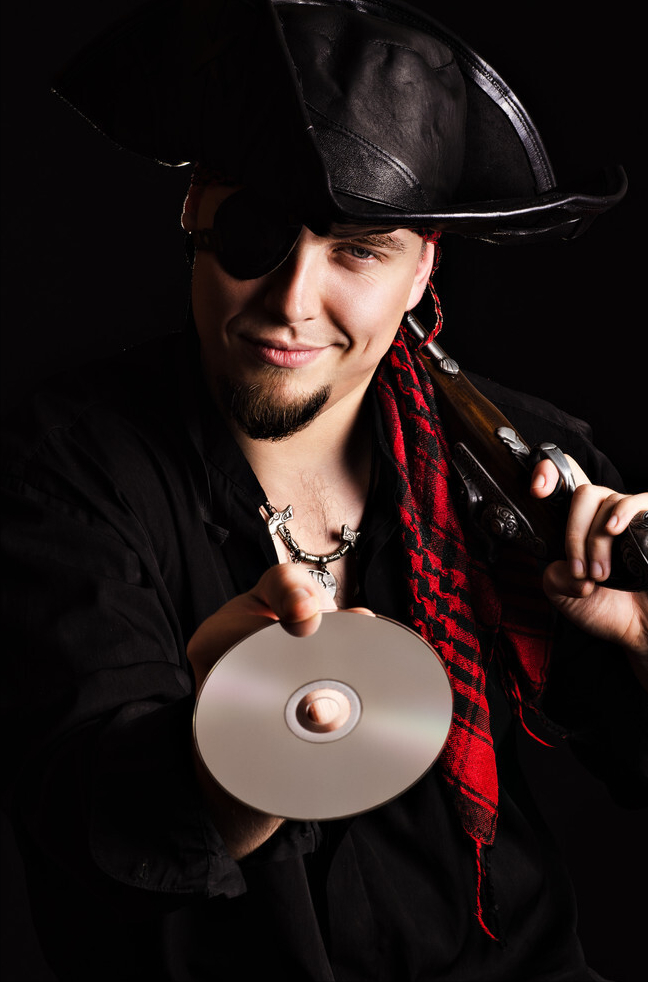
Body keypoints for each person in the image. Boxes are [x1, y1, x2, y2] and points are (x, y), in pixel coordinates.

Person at [1, 1, 646, 980]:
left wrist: (641, 642)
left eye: (358, 248)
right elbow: (96, 826)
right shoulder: (61, 476)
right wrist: (241, 743)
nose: (292, 303)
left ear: (422, 268)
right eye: (257, 230)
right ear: (195, 213)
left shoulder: (528, 467)